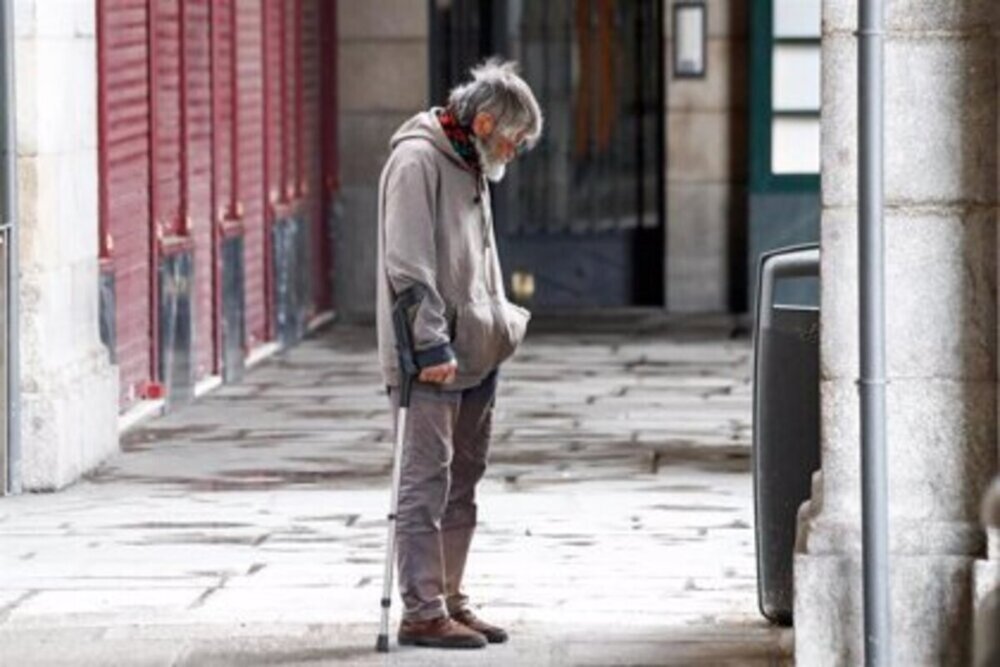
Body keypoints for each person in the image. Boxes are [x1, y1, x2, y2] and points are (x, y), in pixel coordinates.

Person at [375, 58, 543, 649]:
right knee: (427, 480)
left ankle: (448, 595)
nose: (515, 152)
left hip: (478, 347)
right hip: (433, 354)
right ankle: (421, 610)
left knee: (464, 478)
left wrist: (498, 328)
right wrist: (430, 344)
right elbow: (409, 266)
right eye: (515, 139)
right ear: (487, 119)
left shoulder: (474, 160)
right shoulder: (418, 160)